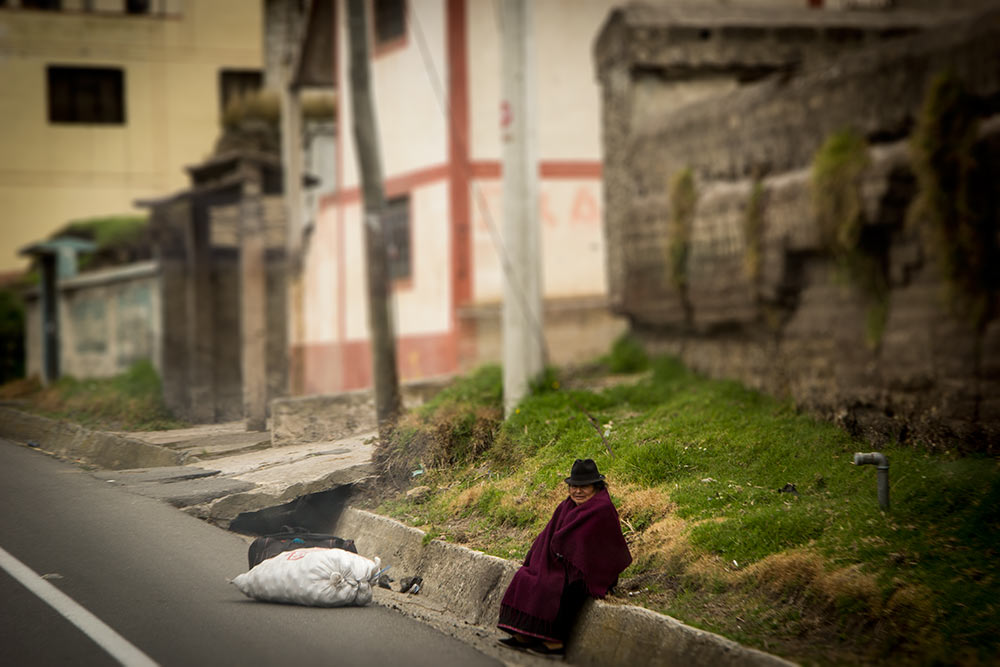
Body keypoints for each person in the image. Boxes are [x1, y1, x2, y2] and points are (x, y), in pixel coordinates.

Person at [496, 458, 632, 658]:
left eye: (583, 486)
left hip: (590, 571)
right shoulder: (567, 506)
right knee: (527, 576)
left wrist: (562, 563)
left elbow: (594, 550)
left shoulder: (601, 509)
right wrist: (539, 559)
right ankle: (525, 635)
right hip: (565, 562)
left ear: (595, 487)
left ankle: (554, 643)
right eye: (574, 486)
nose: (577, 491)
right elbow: (549, 535)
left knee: (555, 585)